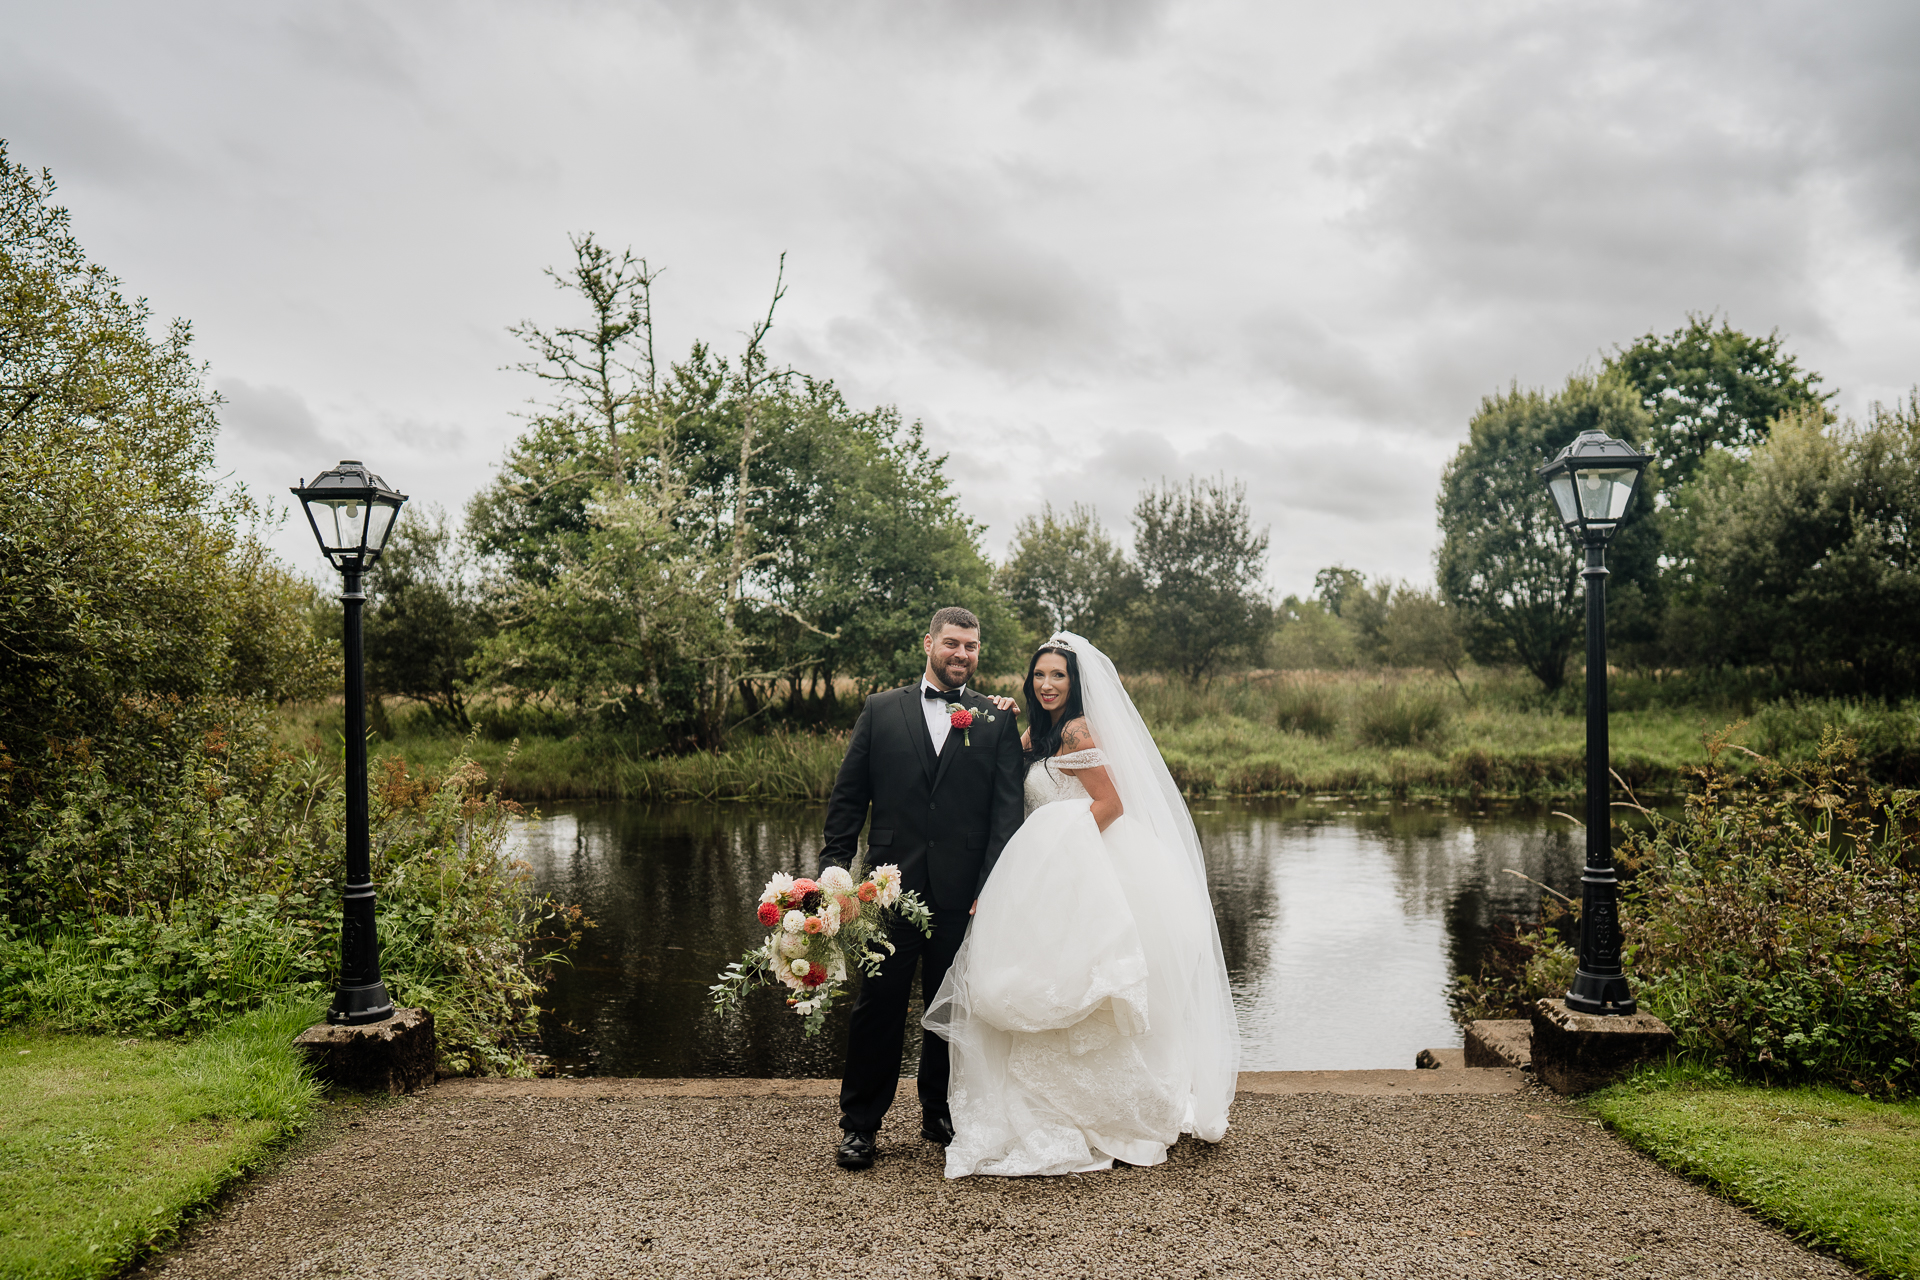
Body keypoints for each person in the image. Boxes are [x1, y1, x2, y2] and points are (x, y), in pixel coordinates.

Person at [924, 631, 1240, 1177]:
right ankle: (1057, 1103)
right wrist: (994, 710)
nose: (1047, 685)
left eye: (1058, 676)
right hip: (1052, 870)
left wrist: (1059, 850)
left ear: (1076, 683)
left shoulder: (1077, 729)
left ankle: (1104, 1110)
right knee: (1050, 979)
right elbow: (1014, 759)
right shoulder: (1043, 732)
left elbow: (1111, 802)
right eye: (1039, 675)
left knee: (1087, 984)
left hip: (1086, 865)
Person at [818, 606, 1026, 1171]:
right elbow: (847, 800)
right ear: (928, 643)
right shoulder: (880, 710)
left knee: (952, 1007)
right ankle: (860, 1125)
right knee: (877, 1007)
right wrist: (835, 871)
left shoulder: (995, 719)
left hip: (963, 893)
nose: (963, 654)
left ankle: (941, 1112)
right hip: (887, 890)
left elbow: (1006, 814)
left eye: (973, 646)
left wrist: (993, 885)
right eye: (953, 643)